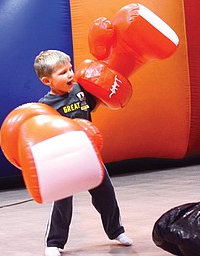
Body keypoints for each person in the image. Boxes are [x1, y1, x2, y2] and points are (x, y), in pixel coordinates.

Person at [33, 49, 133, 256]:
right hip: (64, 159)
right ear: (46, 81)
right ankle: (54, 243)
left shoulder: (79, 89)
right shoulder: (45, 106)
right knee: (62, 202)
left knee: (106, 194)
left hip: (90, 155)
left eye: (70, 69)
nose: (70, 74)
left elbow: (94, 104)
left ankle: (116, 231)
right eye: (62, 72)